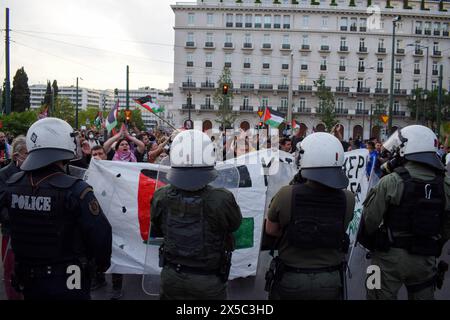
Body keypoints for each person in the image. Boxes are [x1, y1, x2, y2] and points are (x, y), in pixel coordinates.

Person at [0, 118, 112, 300]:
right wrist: (98, 266)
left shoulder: (12, 184)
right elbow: (101, 235)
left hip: (29, 277)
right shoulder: (77, 190)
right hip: (68, 277)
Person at [358, 125, 450, 300]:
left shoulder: (390, 181)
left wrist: (375, 243)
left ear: (407, 148)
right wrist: (435, 243)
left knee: (374, 290)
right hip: (426, 258)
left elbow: (369, 220)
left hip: (387, 258)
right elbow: (447, 225)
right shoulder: (445, 184)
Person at [150, 129, 242, 300]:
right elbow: (235, 225)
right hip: (208, 280)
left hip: (172, 276)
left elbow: (156, 229)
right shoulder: (222, 198)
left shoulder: (161, 195)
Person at [265, 132, 355, 300]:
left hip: (292, 278)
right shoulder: (349, 198)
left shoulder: (286, 194)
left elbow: (270, 229)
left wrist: (296, 230)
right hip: (330, 280)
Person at [0, 135, 28, 300]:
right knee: (11, 273)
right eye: (27, 153)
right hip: (11, 233)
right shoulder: (3, 174)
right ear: (17, 156)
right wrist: (18, 217)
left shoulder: (34, 172)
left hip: (32, 232)